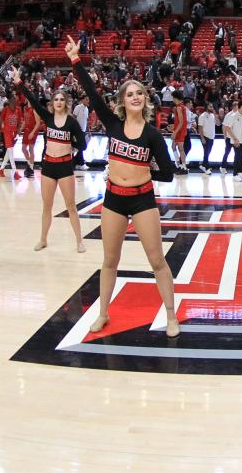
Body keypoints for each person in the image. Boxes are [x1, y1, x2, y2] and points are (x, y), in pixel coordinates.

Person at [67, 36, 179, 337]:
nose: (135, 97)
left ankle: (171, 314)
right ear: (122, 100)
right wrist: (76, 60)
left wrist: (143, 171)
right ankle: (103, 313)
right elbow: (91, 91)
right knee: (109, 260)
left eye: (139, 93)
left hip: (142, 200)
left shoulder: (153, 135)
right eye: (129, 94)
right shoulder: (113, 124)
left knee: (156, 259)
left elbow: (168, 174)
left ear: (145, 99)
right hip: (113, 199)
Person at [13, 68, 86, 253]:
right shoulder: (48, 117)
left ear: (66, 103)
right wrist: (19, 82)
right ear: (53, 103)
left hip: (64, 166)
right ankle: (43, 239)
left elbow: (83, 144)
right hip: (48, 166)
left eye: (62, 99)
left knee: (71, 205)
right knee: (47, 206)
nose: (59, 102)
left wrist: (72, 146)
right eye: (56, 99)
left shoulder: (71, 122)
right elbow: (33, 100)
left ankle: (79, 241)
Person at [221, 98, 242, 181]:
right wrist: (234, 138)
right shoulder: (233, 116)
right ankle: (235, 174)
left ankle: (240, 172)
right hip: (235, 140)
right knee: (237, 157)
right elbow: (227, 128)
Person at [0, 94, 23, 180]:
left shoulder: (18, 109)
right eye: (13, 100)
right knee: (11, 152)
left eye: (15, 100)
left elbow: (20, 121)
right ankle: (15, 172)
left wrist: (19, 131)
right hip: (7, 133)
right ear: (9, 102)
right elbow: (0, 121)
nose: (15, 101)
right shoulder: (5, 109)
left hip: (14, 134)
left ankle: (1, 169)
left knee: (9, 152)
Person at [21, 101, 41, 179]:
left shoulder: (34, 109)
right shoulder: (25, 109)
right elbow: (25, 121)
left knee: (31, 149)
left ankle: (31, 168)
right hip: (26, 130)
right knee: (23, 148)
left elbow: (38, 123)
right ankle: (29, 164)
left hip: (33, 130)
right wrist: (20, 129)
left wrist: (32, 132)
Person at [170, 95, 189, 174]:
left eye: (173, 98)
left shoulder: (179, 108)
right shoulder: (182, 107)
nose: (172, 99)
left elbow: (181, 122)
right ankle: (178, 165)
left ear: (175, 98)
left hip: (180, 131)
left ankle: (183, 166)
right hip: (180, 129)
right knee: (174, 146)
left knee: (180, 148)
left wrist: (175, 132)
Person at [197, 104, 216, 173]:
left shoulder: (213, 115)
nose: (212, 108)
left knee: (208, 152)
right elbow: (200, 127)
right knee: (206, 152)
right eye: (210, 106)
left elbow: (218, 124)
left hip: (212, 136)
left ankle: (203, 165)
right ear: (206, 107)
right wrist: (202, 138)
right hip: (205, 136)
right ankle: (206, 167)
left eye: (212, 106)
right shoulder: (202, 116)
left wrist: (216, 115)